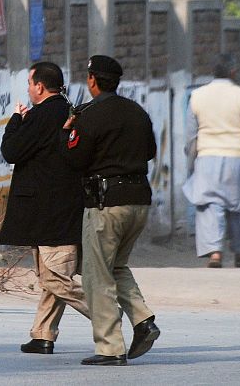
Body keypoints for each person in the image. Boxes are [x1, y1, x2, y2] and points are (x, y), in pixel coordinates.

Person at [59, 55, 160, 366]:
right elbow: (151, 152)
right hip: (139, 201)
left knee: (95, 274)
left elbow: (74, 160)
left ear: (92, 81)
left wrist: (67, 133)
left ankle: (110, 348)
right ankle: (143, 320)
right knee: (115, 265)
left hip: (106, 204)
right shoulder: (138, 112)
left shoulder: (89, 116)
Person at [0, 61, 90, 355]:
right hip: (62, 207)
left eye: (29, 83)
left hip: (49, 211)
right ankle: (43, 335)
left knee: (53, 276)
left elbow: (11, 151)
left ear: (39, 86)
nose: (27, 88)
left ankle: (106, 313)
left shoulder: (43, 114)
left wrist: (15, 119)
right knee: (51, 274)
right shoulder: (68, 110)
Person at [183, 53, 240, 268]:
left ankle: (215, 252)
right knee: (237, 208)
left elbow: (190, 135)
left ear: (212, 72)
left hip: (207, 159)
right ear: (233, 72)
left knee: (210, 206)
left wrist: (191, 159)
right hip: (238, 160)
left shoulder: (197, 96)